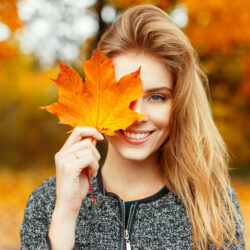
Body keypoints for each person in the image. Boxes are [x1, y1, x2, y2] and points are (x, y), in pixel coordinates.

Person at [20, 4, 245, 250]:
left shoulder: (213, 206)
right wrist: (65, 216)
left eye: (157, 97)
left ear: (179, 105)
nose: (137, 115)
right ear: (98, 98)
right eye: (123, 98)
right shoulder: (48, 201)